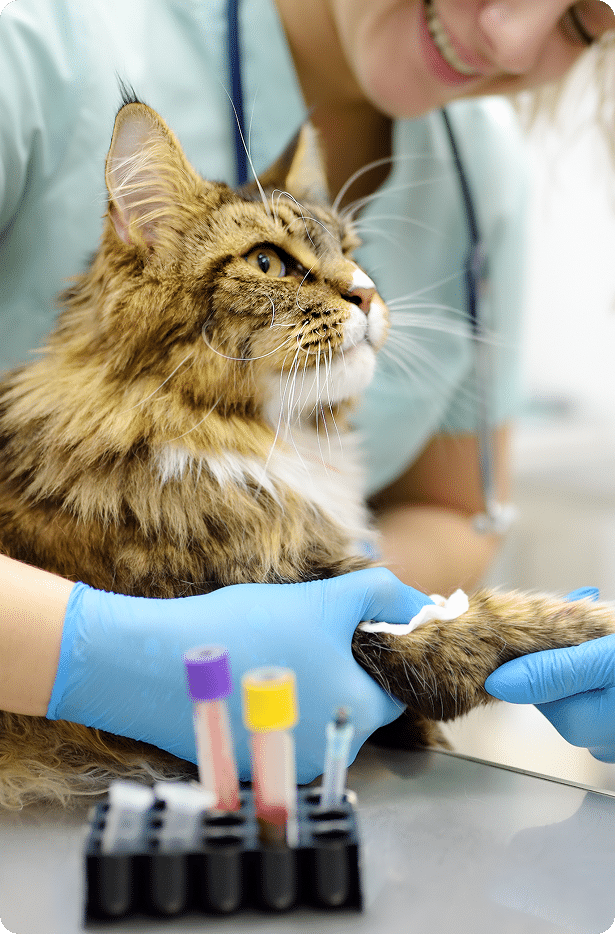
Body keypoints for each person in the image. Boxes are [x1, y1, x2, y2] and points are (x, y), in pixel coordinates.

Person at [1, 0, 614, 785]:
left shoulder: (482, 165)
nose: (509, 35)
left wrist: (353, 612)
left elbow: (456, 504)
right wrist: (94, 650)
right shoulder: (37, 41)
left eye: (579, 25)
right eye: (271, 262)